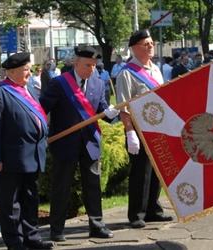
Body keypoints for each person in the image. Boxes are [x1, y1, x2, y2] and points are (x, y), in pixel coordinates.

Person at [39, 45, 119, 242]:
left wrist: (110, 113)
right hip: (65, 143)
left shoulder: (98, 83)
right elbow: (42, 108)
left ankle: (97, 225)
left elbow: (100, 108)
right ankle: (56, 229)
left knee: (92, 185)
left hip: (90, 142)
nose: (91, 69)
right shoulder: (59, 83)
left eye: (94, 65)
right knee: (61, 186)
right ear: (76, 64)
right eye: (87, 65)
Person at [0, 52, 54, 250]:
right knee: (11, 203)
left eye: (29, 69)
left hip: (32, 155)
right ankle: (15, 241)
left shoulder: (27, 89)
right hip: (10, 158)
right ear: (12, 71)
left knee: (31, 198)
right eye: (25, 70)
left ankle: (32, 236)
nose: (29, 73)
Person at [115, 29, 173, 229]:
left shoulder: (156, 70)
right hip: (138, 128)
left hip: (157, 127)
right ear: (134, 48)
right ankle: (137, 213)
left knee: (157, 170)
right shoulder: (126, 73)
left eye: (151, 43)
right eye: (145, 44)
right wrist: (130, 132)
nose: (150, 46)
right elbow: (123, 106)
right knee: (142, 172)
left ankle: (153, 210)